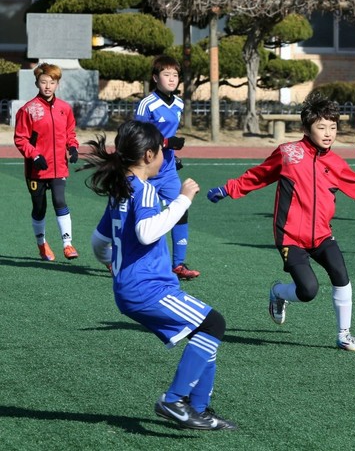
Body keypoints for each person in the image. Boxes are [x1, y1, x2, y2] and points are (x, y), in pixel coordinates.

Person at [206, 93, 355, 352]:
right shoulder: (289, 153)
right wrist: (228, 189)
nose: (328, 133)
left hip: (321, 235)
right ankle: (279, 293)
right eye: (321, 127)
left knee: (341, 275)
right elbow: (259, 175)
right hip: (290, 235)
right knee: (308, 291)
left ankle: (344, 334)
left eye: (333, 127)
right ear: (306, 128)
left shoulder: (336, 163)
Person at [86, 120, 236, 430]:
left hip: (129, 289)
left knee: (203, 330)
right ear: (148, 156)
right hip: (148, 289)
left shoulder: (120, 191)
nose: (165, 160)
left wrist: (112, 265)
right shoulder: (144, 191)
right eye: (162, 155)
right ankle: (174, 400)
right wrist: (183, 199)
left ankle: (198, 408)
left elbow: (99, 242)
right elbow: (146, 232)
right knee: (213, 323)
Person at [135, 55, 199, 280]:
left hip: (168, 170)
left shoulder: (179, 103)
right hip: (145, 170)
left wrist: (171, 154)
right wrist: (165, 143)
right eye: (166, 74)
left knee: (181, 209)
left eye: (175, 75)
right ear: (155, 78)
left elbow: (168, 137)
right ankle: (118, 256)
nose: (172, 79)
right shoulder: (147, 104)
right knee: (142, 215)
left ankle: (178, 265)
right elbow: (138, 136)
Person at [14, 63, 80, 261]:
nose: (48, 86)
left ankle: (67, 244)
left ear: (57, 84)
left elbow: (70, 133)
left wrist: (73, 147)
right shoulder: (28, 110)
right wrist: (34, 155)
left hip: (59, 166)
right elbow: (20, 139)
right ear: (37, 83)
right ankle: (42, 244)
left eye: (52, 82)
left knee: (60, 201)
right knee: (39, 208)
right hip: (36, 170)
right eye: (44, 82)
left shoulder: (65, 109)